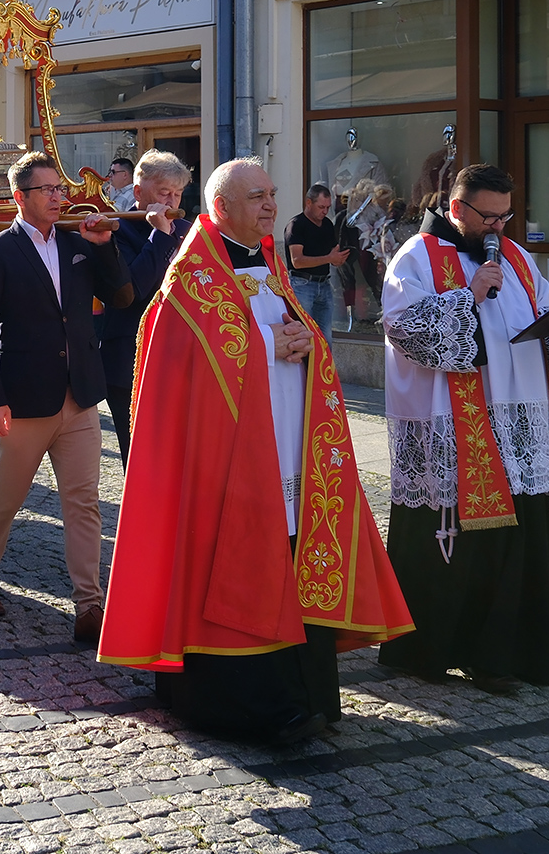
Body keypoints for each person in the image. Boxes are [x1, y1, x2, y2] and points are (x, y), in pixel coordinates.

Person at [100, 158, 411, 742]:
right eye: (256, 197)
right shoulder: (189, 281)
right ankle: (246, 705)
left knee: (291, 551)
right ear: (221, 207)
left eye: (272, 193)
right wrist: (274, 339)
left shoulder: (269, 264)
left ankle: (306, 691)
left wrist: (306, 339)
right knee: (241, 555)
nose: (270, 205)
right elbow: (188, 364)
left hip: (288, 448)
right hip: (227, 464)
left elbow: (287, 333)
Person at [378, 163, 549, 691]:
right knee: (454, 547)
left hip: (517, 422)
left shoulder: (516, 256)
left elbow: (536, 316)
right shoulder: (415, 257)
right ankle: (433, 650)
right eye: (487, 217)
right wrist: (467, 294)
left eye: (505, 216)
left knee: (519, 540)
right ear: (456, 209)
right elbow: (406, 330)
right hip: (451, 422)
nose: (497, 227)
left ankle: (508, 652)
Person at [0, 153, 129, 641]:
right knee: (7, 498)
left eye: (61, 189)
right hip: (23, 398)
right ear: (21, 196)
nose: (60, 197)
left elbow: (121, 296)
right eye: (48, 190)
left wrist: (104, 247)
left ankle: (89, 604)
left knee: (83, 502)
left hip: (78, 397)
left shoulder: (80, 244)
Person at [101, 150, 194, 468]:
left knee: (182, 456)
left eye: (177, 193)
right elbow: (135, 289)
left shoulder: (188, 230)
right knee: (141, 459)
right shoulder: (116, 230)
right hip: (129, 358)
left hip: (179, 357)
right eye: (163, 192)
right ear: (139, 192)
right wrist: (160, 236)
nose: (171, 202)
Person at [286, 183, 349, 338]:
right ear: (309, 203)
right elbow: (297, 261)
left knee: (325, 336)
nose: (325, 211)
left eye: (328, 207)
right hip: (302, 285)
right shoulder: (296, 225)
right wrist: (329, 258)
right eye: (321, 207)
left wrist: (338, 259)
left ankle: (325, 363)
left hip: (324, 284)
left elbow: (332, 253)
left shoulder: (327, 224)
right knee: (303, 335)